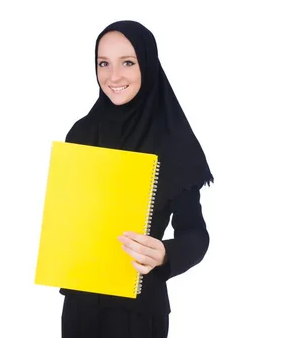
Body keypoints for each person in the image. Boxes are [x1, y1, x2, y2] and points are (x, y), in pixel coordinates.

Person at [60, 20, 213, 337]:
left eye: (127, 62)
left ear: (147, 64)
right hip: (80, 308)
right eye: (104, 63)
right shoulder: (81, 133)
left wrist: (166, 253)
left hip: (139, 312)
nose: (113, 76)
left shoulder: (174, 142)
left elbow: (196, 235)